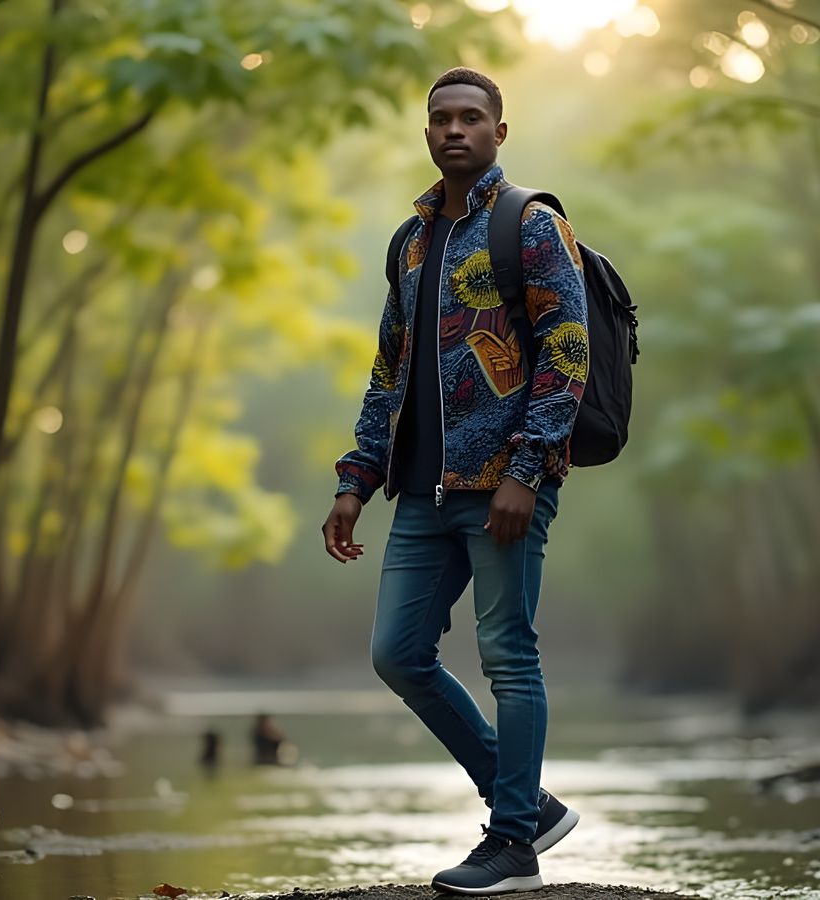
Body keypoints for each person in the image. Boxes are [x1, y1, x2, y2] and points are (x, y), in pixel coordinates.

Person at [322, 67, 588, 895]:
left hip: (505, 486)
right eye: (442, 118)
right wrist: (357, 479)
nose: (455, 130)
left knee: (509, 655)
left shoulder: (532, 225)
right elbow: (387, 370)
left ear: (499, 133)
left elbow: (568, 351)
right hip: (421, 490)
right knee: (398, 655)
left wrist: (526, 468)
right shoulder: (409, 242)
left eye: (473, 118)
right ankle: (530, 806)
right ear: (427, 131)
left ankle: (512, 844)